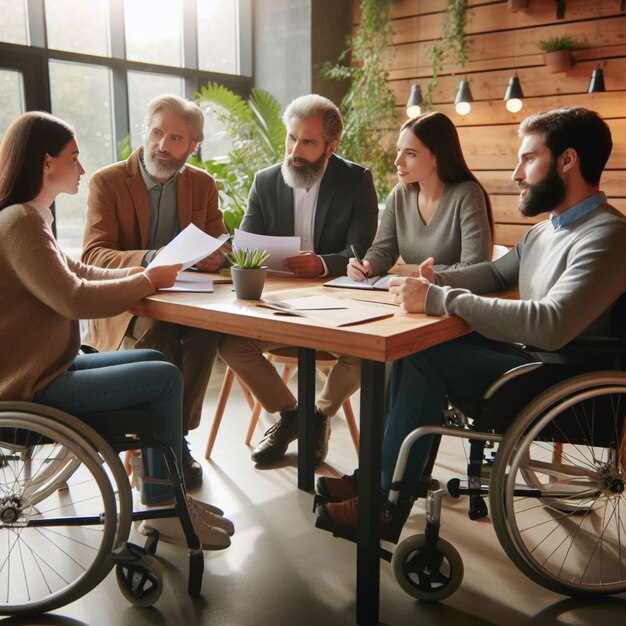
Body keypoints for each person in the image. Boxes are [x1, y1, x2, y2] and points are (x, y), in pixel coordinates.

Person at [315, 107, 626, 540]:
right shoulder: (545, 232)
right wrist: (433, 279)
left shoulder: (607, 235)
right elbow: (497, 274)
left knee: (425, 360)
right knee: (413, 349)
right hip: (529, 361)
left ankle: (386, 502)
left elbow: (552, 324)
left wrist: (439, 297)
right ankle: (382, 482)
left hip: (562, 379)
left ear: (567, 161)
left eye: (528, 159)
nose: (517, 173)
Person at [0, 111, 234, 549]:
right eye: (74, 157)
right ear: (47, 163)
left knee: (155, 362)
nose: (82, 168)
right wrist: (148, 279)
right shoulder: (21, 223)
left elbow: (81, 271)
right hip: (31, 385)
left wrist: (153, 272)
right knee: (164, 377)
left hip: (48, 369)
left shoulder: (30, 218)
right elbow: (73, 296)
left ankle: (166, 492)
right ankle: (165, 506)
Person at [219, 93, 379, 466]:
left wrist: (323, 263)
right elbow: (246, 247)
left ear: (331, 146)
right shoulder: (265, 181)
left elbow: (360, 250)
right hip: (278, 304)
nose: (295, 149)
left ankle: (321, 414)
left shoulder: (356, 180)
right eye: (292, 138)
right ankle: (292, 416)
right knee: (229, 344)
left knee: (368, 353)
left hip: (337, 304)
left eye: (308, 142)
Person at [82, 94, 228, 490]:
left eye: (176, 138)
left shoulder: (202, 183)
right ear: (145, 133)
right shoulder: (107, 182)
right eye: (157, 133)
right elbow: (94, 254)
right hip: (127, 301)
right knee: (158, 334)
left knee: (205, 332)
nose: (163, 145)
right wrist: (150, 258)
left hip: (185, 296)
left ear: (193, 145)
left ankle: (170, 437)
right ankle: (155, 444)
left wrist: (216, 256)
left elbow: (220, 240)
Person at [347, 111, 493, 285]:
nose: (397, 161)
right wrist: (367, 265)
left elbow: (475, 268)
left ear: (437, 157)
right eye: (398, 151)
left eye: (410, 154)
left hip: (453, 302)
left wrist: (421, 272)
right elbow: (384, 250)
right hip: (411, 298)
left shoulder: (467, 194)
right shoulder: (400, 194)